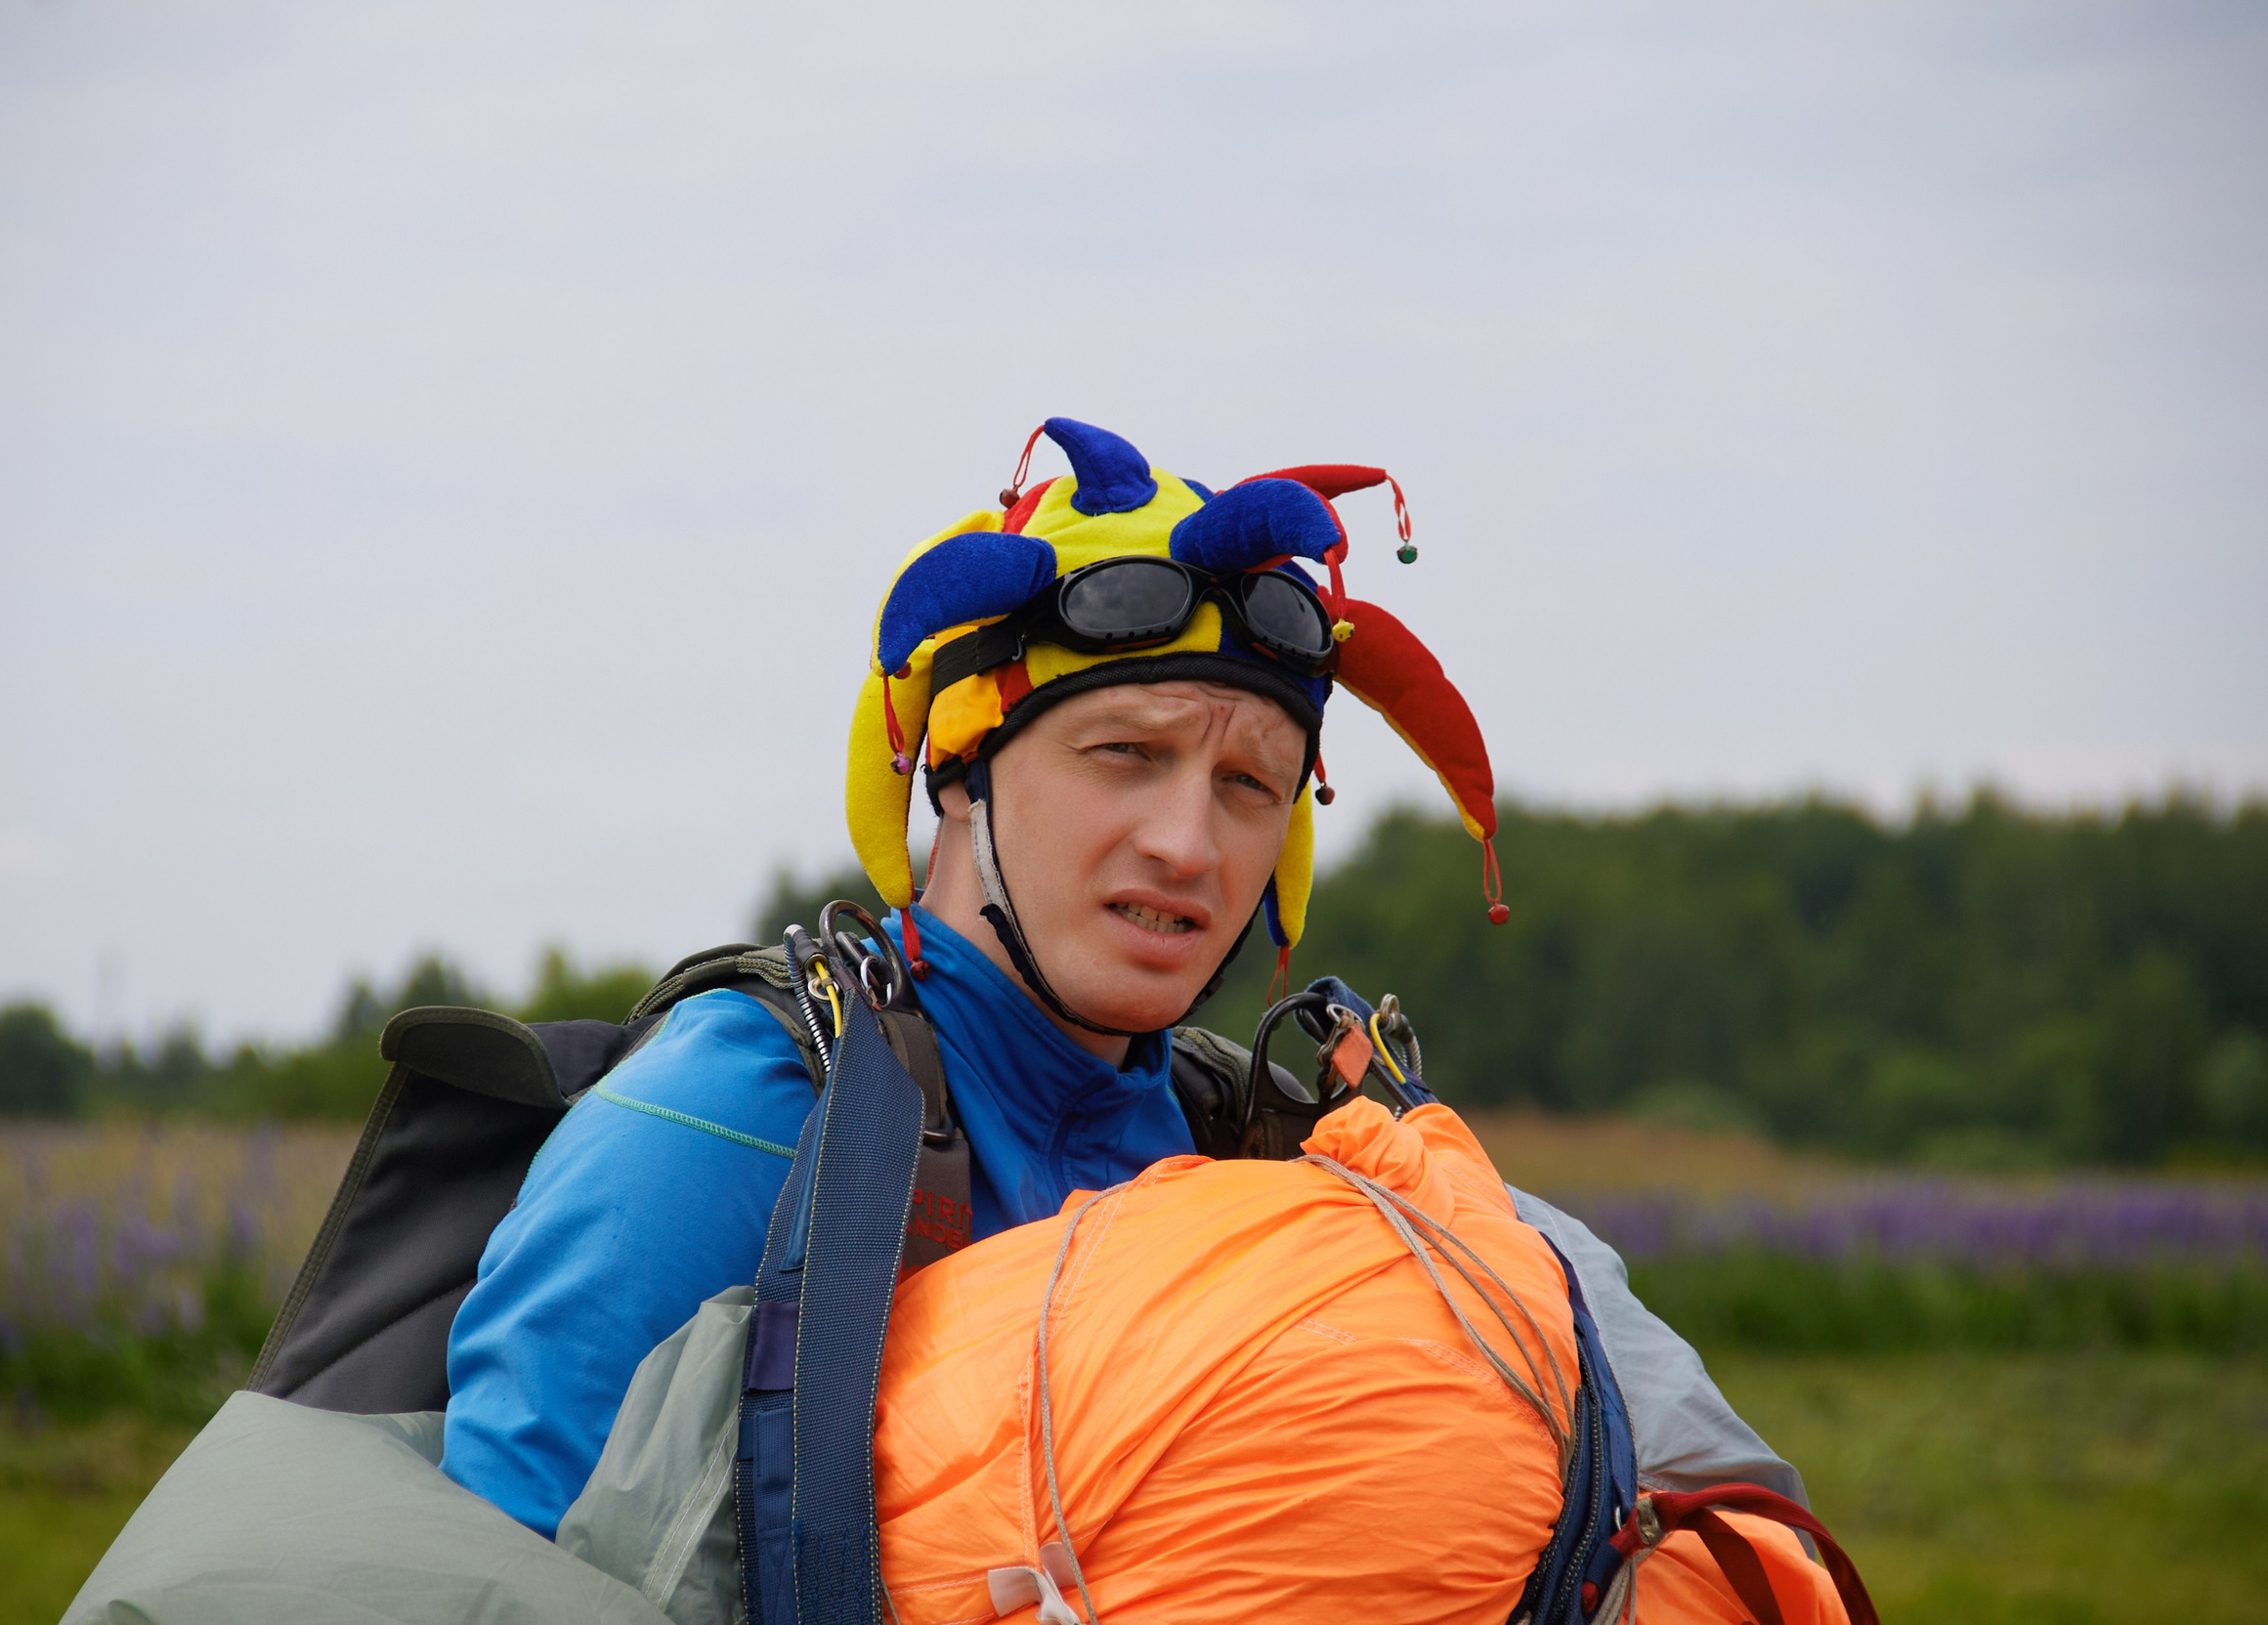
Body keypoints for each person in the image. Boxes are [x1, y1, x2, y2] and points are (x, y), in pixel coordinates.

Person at [439, 417, 1797, 1542]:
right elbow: (490, 1569)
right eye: (1123, 755)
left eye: (1247, 784)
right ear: (960, 772)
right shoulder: (743, 1112)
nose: (1187, 843)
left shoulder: (1267, 1150)